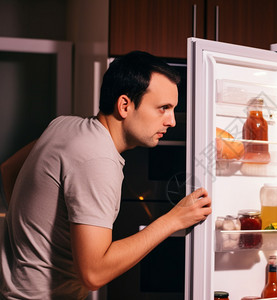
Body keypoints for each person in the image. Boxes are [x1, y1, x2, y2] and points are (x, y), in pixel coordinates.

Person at [0, 51, 212, 299]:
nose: (172, 121)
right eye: (163, 108)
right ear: (125, 105)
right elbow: (94, 274)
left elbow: (9, 169)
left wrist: (36, 235)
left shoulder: (63, 125)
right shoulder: (97, 160)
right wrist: (173, 220)